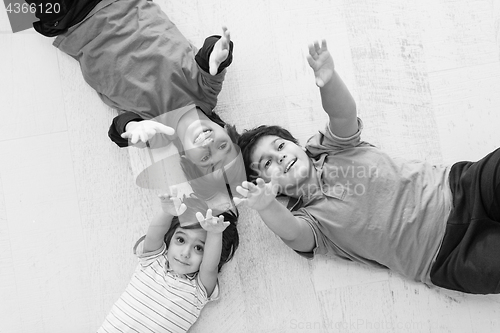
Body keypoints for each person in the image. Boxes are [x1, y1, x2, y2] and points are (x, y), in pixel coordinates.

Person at [234, 40, 500, 294]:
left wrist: (328, 81)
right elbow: (293, 235)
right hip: (446, 256)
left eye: (280, 146)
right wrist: (266, 206)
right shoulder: (311, 221)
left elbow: (343, 114)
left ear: (298, 146)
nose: (279, 157)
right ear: (269, 186)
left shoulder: (333, 149)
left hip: (461, 187)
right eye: (267, 163)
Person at [33, 0, 246, 201]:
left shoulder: (155, 134)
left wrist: (132, 127)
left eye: (206, 160)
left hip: (72, 23)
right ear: (227, 130)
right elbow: (211, 56)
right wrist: (218, 53)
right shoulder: (206, 91)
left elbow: (119, 131)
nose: (211, 146)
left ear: (188, 160)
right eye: (223, 147)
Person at [97, 188, 239, 332]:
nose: (185, 253)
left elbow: (210, 267)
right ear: (170, 238)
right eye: (180, 240)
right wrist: (167, 212)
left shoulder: (198, 289)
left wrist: (215, 235)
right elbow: (154, 235)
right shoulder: (152, 261)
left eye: (198, 248)